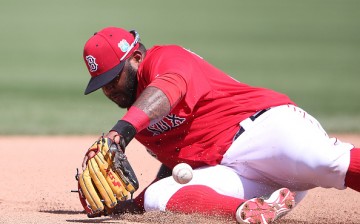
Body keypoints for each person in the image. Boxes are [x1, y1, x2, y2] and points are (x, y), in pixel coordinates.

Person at [81, 26, 360, 224]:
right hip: (245, 177)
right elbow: (177, 162)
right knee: (158, 196)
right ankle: (249, 211)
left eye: (113, 79)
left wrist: (122, 131)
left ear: (136, 58)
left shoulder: (166, 58)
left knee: (327, 163)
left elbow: (169, 88)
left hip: (265, 130)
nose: (109, 91)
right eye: (102, 85)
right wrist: (133, 205)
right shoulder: (139, 118)